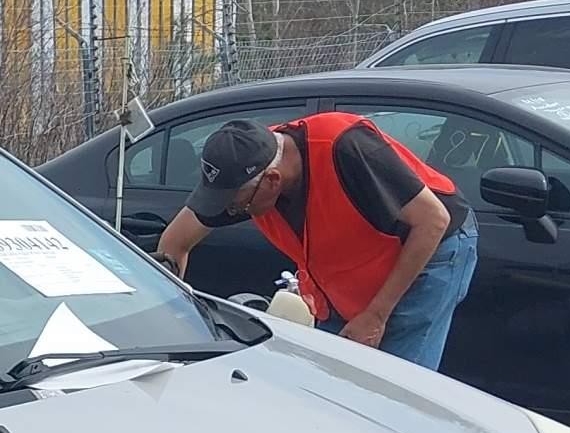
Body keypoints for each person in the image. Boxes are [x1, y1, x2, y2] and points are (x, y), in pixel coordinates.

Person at [153, 114, 479, 370]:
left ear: (272, 181)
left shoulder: (347, 148)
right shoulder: (242, 168)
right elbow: (174, 244)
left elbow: (433, 221)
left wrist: (376, 316)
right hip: (357, 265)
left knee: (394, 390)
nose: (231, 212)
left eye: (238, 205)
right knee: (334, 382)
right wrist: (162, 327)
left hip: (432, 248)